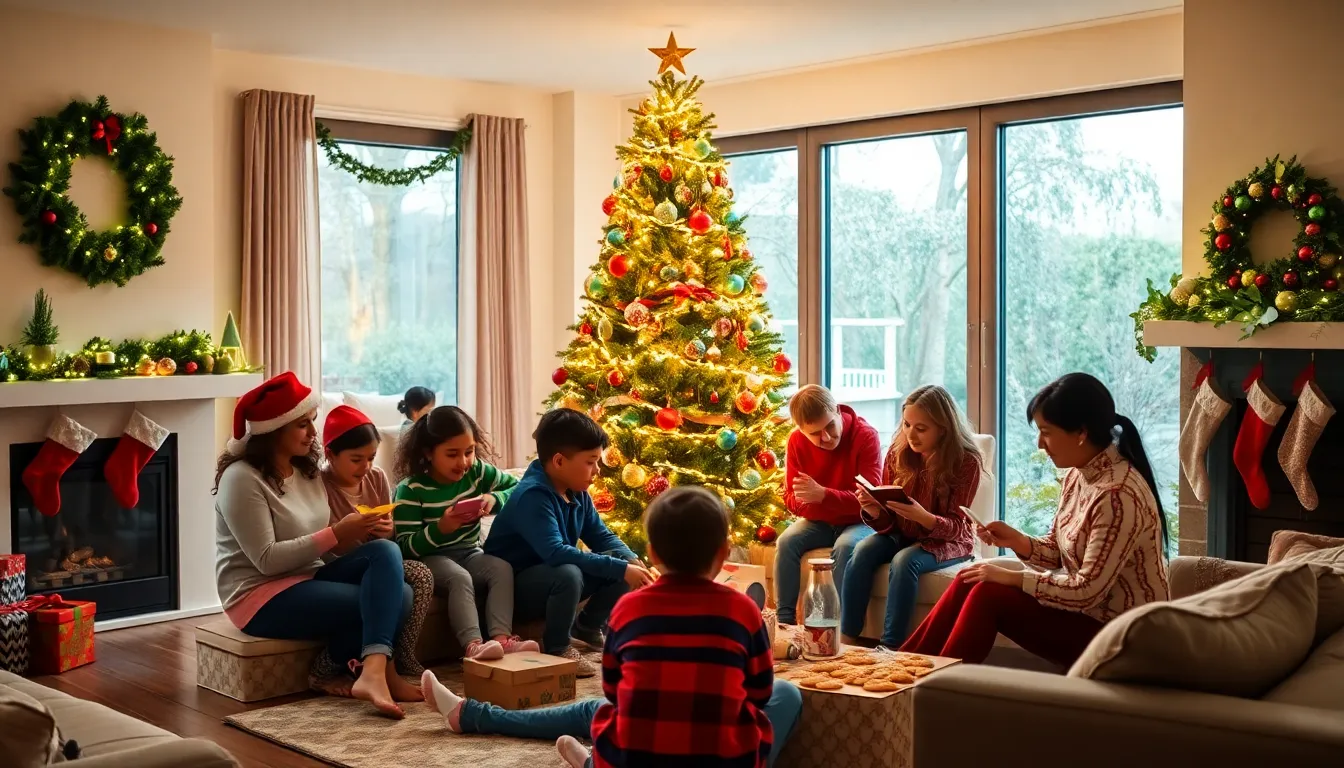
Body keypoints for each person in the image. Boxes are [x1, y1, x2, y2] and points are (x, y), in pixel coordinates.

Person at [423, 486, 802, 768]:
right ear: (723, 553)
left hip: (633, 756)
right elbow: (759, 691)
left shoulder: (629, 608)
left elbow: (614, 688)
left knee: (614, 707)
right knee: (788, 693)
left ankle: (484, 719)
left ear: (652, 554)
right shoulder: (742, 609)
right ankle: (474, 717)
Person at [901, 372, 1170, 667]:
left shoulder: (1117, 494)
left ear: (1081, 433)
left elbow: (1086, 592)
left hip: (1124, 638)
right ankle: (903, 665)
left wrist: (1015, 579)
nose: (1040, 444)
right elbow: (1057, 553)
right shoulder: (1079, 475)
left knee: (989, 594)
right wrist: (1016, 539)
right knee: (973, 577)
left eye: (1047, 432)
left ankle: (931, 689)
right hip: (1088, 619)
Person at [213, 372, 420, 718]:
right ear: (274, 429)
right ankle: (375, 670)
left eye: (312, 421)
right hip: (259, 594)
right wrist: (338, 533)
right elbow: (266, 560)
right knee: (386, 600)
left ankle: (375, 670)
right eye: (302, 425)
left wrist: (366, 532)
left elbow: (321, 548)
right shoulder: (242, 479)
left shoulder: (307, 471)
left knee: (392, 567)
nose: (313, 433)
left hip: (309, 577)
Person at [484, 409, 655, 677]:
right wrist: (620, 569)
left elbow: (601, 535)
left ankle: (587, 626)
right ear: (559, 461)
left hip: (550, 579)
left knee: (619, 561)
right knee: (569, 571)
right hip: (516, 591)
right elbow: (554, 553)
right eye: (590, 462)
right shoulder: (533, 496)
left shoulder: (576, 491)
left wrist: (633, 561)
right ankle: (558, 646)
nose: (597, 470)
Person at [842, 385, 982, 648]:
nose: (911, 434)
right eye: (907, 424)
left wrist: (924, 517)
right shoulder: (897, 453)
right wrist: (874, 510)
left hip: (947, 540)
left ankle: (891, 647)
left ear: (943, 428)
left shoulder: (966, 461)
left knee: (905, 561)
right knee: (862, 551)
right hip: (903, 531)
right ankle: (847, 640)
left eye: (921, 428)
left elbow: (957, 526)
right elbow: (889, 524)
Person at [392, 406, 536, 660]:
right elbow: (404, 548)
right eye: (452, 454)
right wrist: (440, 529)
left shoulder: (477, 472)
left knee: (502, 568)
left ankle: (502, 639)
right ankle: (473, 645)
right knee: (459, 578)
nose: (463, 462)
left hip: (469, 552)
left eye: (469, 452)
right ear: (428, 453)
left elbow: (520, 487)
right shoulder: (411, 490)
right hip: (429, 558)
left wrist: (495, 497)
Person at [319, 405, 434, 680]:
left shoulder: (376, 477)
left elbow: (389, 534)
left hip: (377, 563)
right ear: (330, 454)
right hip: (337, 567)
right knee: (393, 576)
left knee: (420, 575)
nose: (366, 466)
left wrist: (386, 531)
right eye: (356, 459)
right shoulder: (318, 485)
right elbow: (321, 544)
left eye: (371, 457)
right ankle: (356, 663)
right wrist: (347, 532)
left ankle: (400, 655)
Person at [774, 384, 882, 625]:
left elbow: (871, 502)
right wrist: (824, 501)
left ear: (836, 410)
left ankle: (830, 625)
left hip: (859, 522)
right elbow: (792, 500)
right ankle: (785, 624)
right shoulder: (796, 442)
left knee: (844, 547)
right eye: (814, 434)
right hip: (819, 522)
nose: (826, 437)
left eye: (830, 426)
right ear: (801, 431)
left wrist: (822, 496)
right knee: (786, 542)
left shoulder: (865, 436)